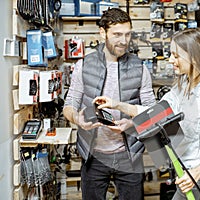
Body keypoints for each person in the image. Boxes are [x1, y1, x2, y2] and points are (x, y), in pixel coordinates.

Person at [94, 27, 200, 200]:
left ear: (195, 57)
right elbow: (156, 113)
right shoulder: (182, 86)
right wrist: (117, 105)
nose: (170, 60)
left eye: (176, 56)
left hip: (198, 179)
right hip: (182, 172)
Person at [63, 8, 156, 200]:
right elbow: (70, 103)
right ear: (102, 32)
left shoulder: (140, 69)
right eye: (117, 34)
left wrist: (131, 124)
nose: (124, 41)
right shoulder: (84, 65)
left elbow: (151, 111)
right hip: (93, 155)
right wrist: (77, 119)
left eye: (128, 34)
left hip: (129, 154)